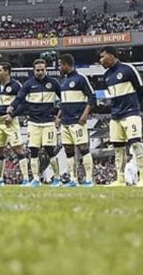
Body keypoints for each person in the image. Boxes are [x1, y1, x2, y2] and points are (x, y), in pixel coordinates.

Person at [99, 46, 143, 187]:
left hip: (131, 113)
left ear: (112, 56)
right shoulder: (106, 76)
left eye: (102, 57)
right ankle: (120, 179)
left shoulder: (128, 69)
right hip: (115, 116)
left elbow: (140, 88)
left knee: (136, 145)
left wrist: (134, 106)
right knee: (118, 148)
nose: (100, 60)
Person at [9, 59, 62, 187]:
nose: (40, 72)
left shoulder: (53, 83)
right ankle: (36, 179)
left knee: (50, 150)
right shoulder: (28, 84)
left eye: (42, 70)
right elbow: (20, 98)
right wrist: (12, 107)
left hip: (49, 121)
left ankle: (57, 178)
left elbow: (64, 100)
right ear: (33, 70)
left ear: (46, 70)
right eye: (37, 70)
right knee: (33, 150)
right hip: (33, 122)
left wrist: (59, 117)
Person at [57, 54, 97, 187]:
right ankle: (73, 180)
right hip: (65, 122)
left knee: (83, 148)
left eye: (60, 65)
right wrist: (58, 117)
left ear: (66, 65)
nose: (59, 67)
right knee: (68, 151)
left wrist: (85, 115)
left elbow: (92, 97)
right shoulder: (63, 82)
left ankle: (89, 179)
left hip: (77, 121)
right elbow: (63, 103)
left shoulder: (80, 78)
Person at [0, 62, 29, 186]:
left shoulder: (16, 85)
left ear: (7, 72)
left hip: (10, 122)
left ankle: (26, 179)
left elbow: (24, 103)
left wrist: (12, 115)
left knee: (18, 149)